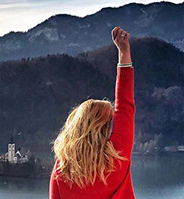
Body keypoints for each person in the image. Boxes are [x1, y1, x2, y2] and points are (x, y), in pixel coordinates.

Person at [49, 27, 136, 199]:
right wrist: (124, 52)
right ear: (104, 127)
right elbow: (125, 105)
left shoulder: (63, 167)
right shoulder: (117, 155)